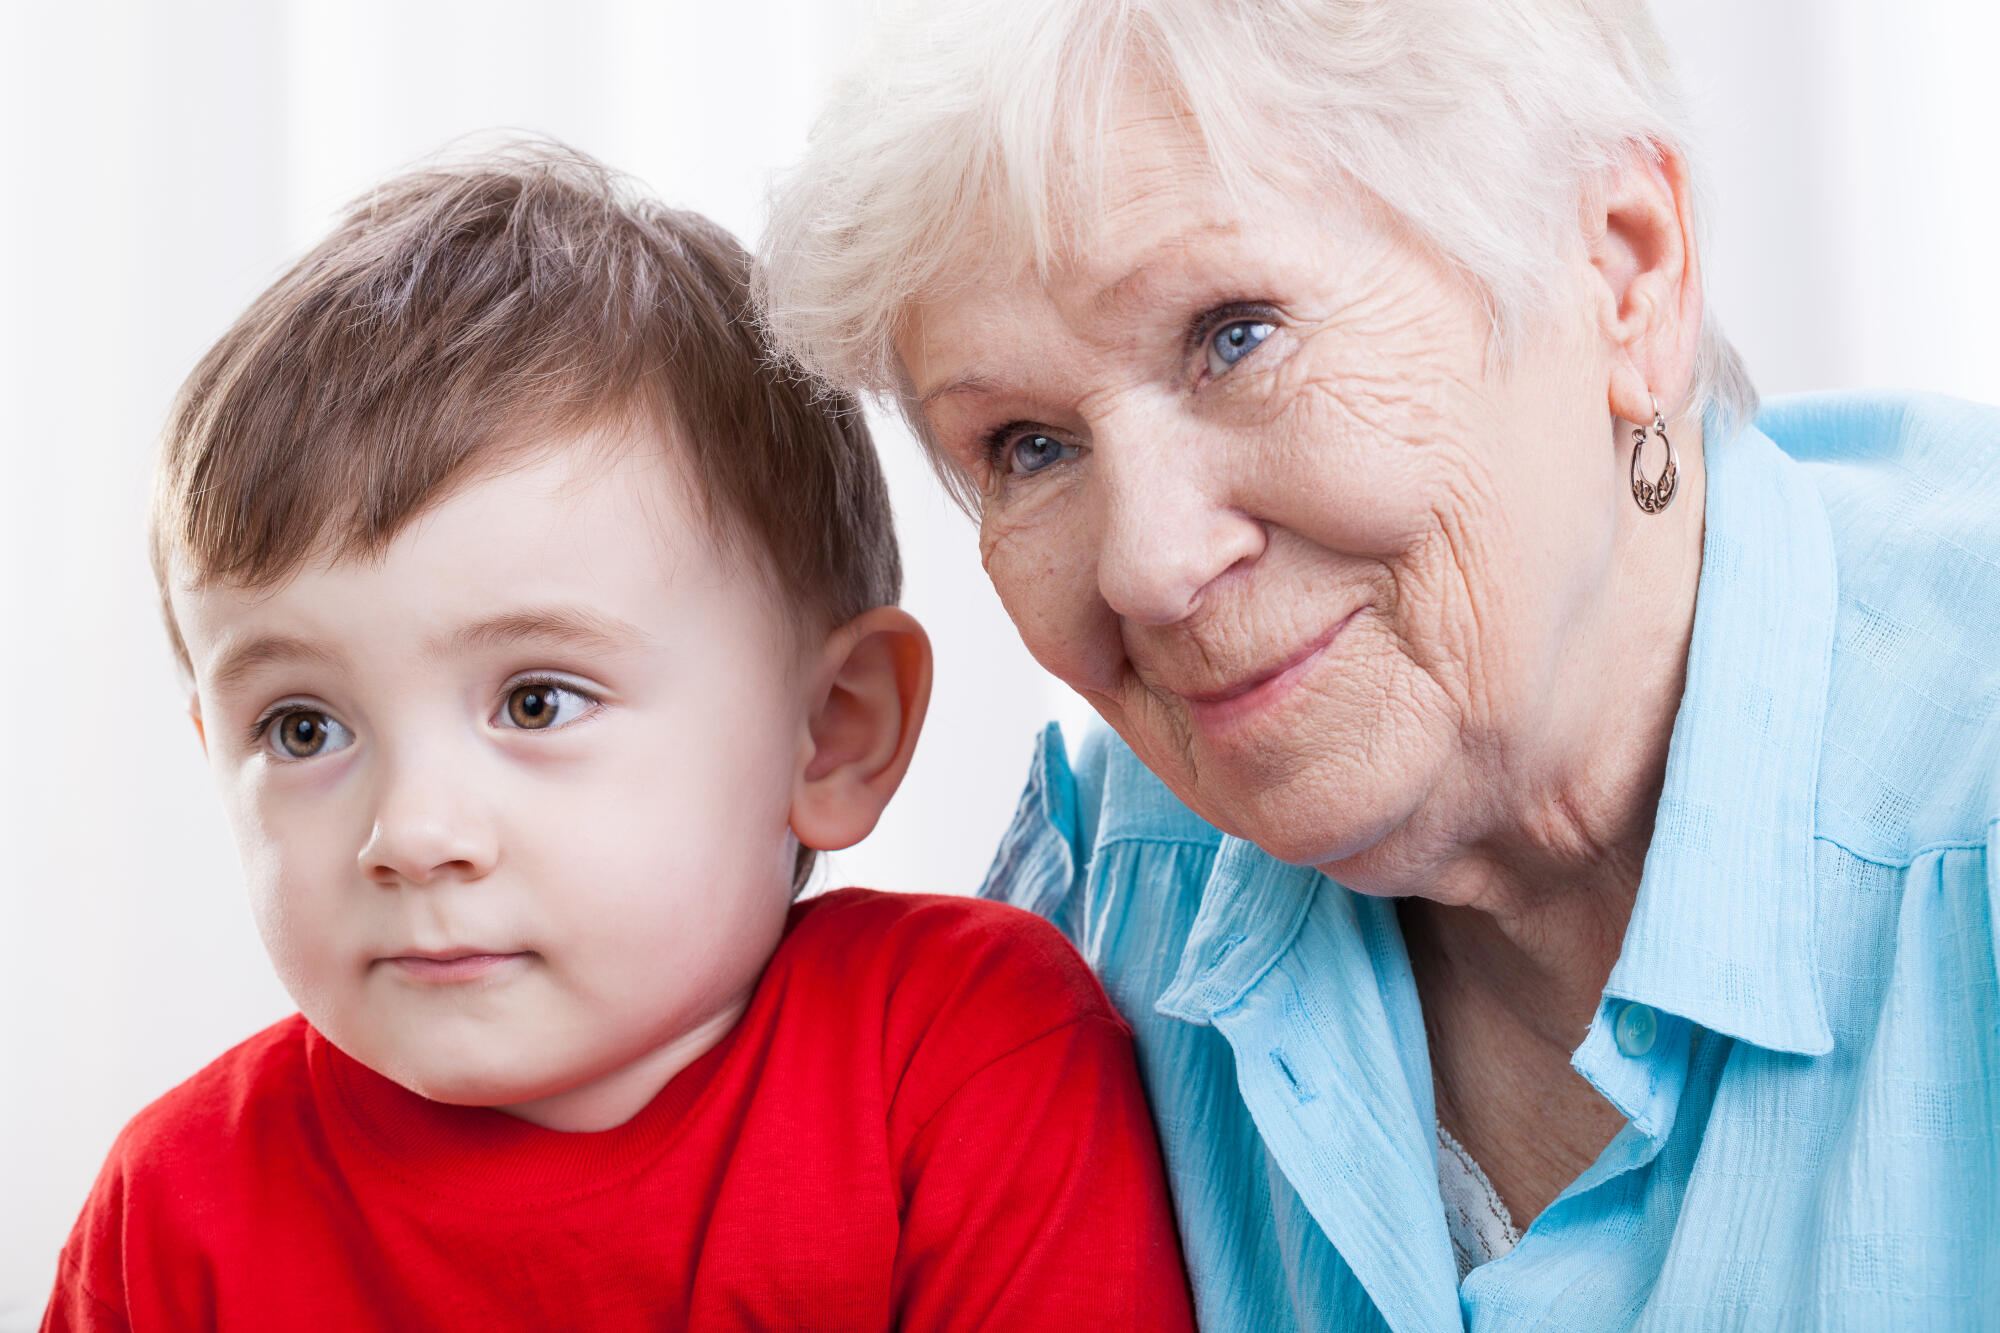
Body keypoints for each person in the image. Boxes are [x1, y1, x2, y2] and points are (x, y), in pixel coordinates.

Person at [756, 1, 2000, 1328]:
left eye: (1236, 335)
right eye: (1025, 445)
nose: (1147, 565)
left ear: (1623, 275)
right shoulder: (1093, 927)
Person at [40, 143, 1194, 1332]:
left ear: (830, 733)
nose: (412, 834)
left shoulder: (959, 1060)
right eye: (299, 726)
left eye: (536, 701)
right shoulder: (171, 1214)